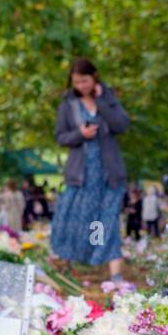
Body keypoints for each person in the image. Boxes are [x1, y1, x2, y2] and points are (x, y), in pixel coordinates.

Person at [51, 58, 130, 278]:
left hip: (108, 174)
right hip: (81, 174)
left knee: (107, 221)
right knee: (72, 220)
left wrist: (100, 101)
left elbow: (121, 125)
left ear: (94, 76)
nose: (81, 86)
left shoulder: (108, 97)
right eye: (76, 82)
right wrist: (80, 134)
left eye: (85, 81)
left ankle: (116, 276)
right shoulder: (68, 104)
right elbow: (60, 136)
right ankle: (65, 269)